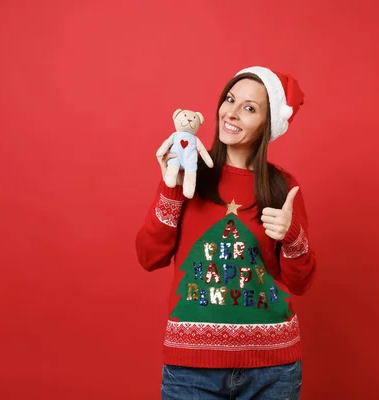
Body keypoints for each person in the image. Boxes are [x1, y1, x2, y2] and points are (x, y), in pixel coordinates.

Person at [135, 66, 317, 399]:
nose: (231, 113)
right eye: (230, 99)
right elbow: (149, 256)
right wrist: (171, 189)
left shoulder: (283, 187)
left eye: (249, 108)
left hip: (272, 370)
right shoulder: (190, 175)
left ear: (267, 124)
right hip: (191, 372)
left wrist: (291, 237)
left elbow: (301, 283)